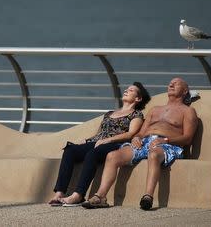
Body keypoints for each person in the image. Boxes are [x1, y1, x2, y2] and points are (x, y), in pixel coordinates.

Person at [82, 77, 198, 210]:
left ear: (184, 91)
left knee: (154, 154)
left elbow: (188, 138)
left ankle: (147, 196)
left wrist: (165, 140)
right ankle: (101, 197)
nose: (171, 84)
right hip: (144, 142)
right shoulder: (155, 109)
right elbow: (141, 133)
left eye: (176, 83)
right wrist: (136, 138)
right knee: (112, 156)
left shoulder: (188, 111)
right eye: (170, 83)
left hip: (168, 144)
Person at [48, 82, 151, 207]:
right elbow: (99, 133)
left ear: (138, 98)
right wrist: (87, 141)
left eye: (131, 90)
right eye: (127, 89)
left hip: (116, 144)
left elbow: (130, 134)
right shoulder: (109, 113)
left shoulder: (136, 114)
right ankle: (59, 193)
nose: (126, 91)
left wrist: (109, 140)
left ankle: (78, 195)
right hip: (99, 142)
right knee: (70, 150)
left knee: (93, 153)